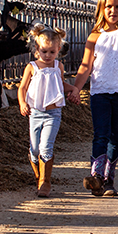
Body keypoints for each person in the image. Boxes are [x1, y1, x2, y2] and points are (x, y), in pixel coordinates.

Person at [71, 0, 118, 197]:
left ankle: (108, 179)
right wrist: (76, 87)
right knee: (100, 133)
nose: (113, 11)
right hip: (99, 91)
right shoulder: (95, 35)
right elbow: (86, 65)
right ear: (101, 8)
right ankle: (96, 176)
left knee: (115, 136)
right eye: (109, 6)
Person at [18, 23, 79, 197]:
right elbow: (22, 88)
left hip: (53, 113)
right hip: (35, 112)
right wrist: (22, 103)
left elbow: (60, 85)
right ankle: (39, 176)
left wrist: (73, 90)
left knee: (46, 147)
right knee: (35, 149)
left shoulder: (58, 67)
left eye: (52, 52)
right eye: (44, 51)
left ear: (58, 50)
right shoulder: (32, 67)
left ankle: (45, 182)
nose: (48, 55)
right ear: (37, 49)